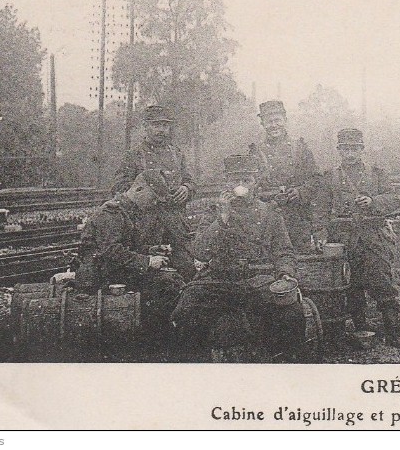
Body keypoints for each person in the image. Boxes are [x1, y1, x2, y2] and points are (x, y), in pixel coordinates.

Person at [171, 154, 302, 361]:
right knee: (185, 311)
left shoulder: (269, 213)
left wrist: (285, 274)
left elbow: (283, 251)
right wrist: (223, 218)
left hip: (257, 280)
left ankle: (288, 370)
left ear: (255, 182)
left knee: (292, 312)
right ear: (226, 183)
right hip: (218, 278)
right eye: (235, 181)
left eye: (246, 181)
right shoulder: (215, 212)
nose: (240, 186)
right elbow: (199, 252)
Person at [74, 169, 194, 350]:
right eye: (153, 198)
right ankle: (156, 342)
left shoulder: (127, 211)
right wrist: (147, 262)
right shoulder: (112, 213)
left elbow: (126, 248)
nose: (153, 204)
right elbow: (111, 252)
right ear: (139, 189)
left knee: (173, 279)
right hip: (101, 276)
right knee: (168, 285)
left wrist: (151, 251)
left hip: (115, 270)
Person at [314, 128, 400, 348]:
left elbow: (394, 198)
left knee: (382, 282)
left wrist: (373, 201)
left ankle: (393, 332)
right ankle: (361, 332)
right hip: (343, 238)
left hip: (373, 236)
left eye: (354, 148)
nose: (350, 153)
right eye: (345, 148)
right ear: (339, 150)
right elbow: (319, 209)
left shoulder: (376, 174)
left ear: (362, 149)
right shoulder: (330, 178)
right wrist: (320, 234)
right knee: (351, 286)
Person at [249, 100, 321, 251]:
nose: (274, 125)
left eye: (277, 120)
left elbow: (316, 179)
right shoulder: (256, 152)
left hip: (297, 218)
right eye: (269, 121)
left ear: (285, 120)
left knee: (301, 262)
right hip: (267, 218)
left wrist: (300, 192)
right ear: (262, 124)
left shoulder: (300, 148)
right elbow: (250, 185)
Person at [113, 105, 195, 225]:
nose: (161, 130)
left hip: (176, 221)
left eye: (165, 126)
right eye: (156, 125)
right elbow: (119, 188)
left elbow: (189, 180)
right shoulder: (133, 155)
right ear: (145, 127)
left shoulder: (177, 154)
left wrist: (186, 188)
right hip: (145, 223)